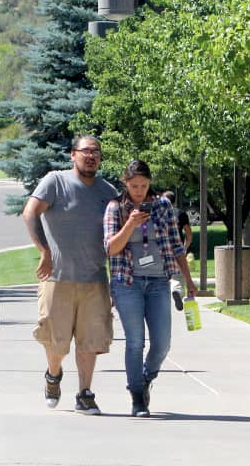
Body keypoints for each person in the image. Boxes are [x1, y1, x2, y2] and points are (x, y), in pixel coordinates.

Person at [22, 134, 118, 415]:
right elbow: (30, 213)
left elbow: (119, 235)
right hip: (57, 278)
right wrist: (44, 251)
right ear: (73, 154)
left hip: (95, 280)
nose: (91, 156)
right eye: (86, 151)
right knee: (55, 340)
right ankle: (53, 375)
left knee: (90, 341)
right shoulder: (56, 181)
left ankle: (85, 394)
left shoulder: (108, 191)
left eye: (96, 152)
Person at [103, 160, 197, 418]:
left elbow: (176, 245)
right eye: (134, 186)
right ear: (125, 182)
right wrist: (130, 224)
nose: (139, 191)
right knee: (135, 341)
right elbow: (110, 248)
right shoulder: (115, 208)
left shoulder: (162, 206)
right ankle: (137, 398)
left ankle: (146, 377)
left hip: (158, 281)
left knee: (162, 342)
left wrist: (187, 279)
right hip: (127, 282)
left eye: (144, 185)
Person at [163, 191, 193, 311]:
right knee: (177, 277)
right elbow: (189, 234)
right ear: (174, 201)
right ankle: (177, 291)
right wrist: (184, 248)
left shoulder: (158, 213)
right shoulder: (181, 213)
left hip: (161, 250)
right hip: (177, 250)